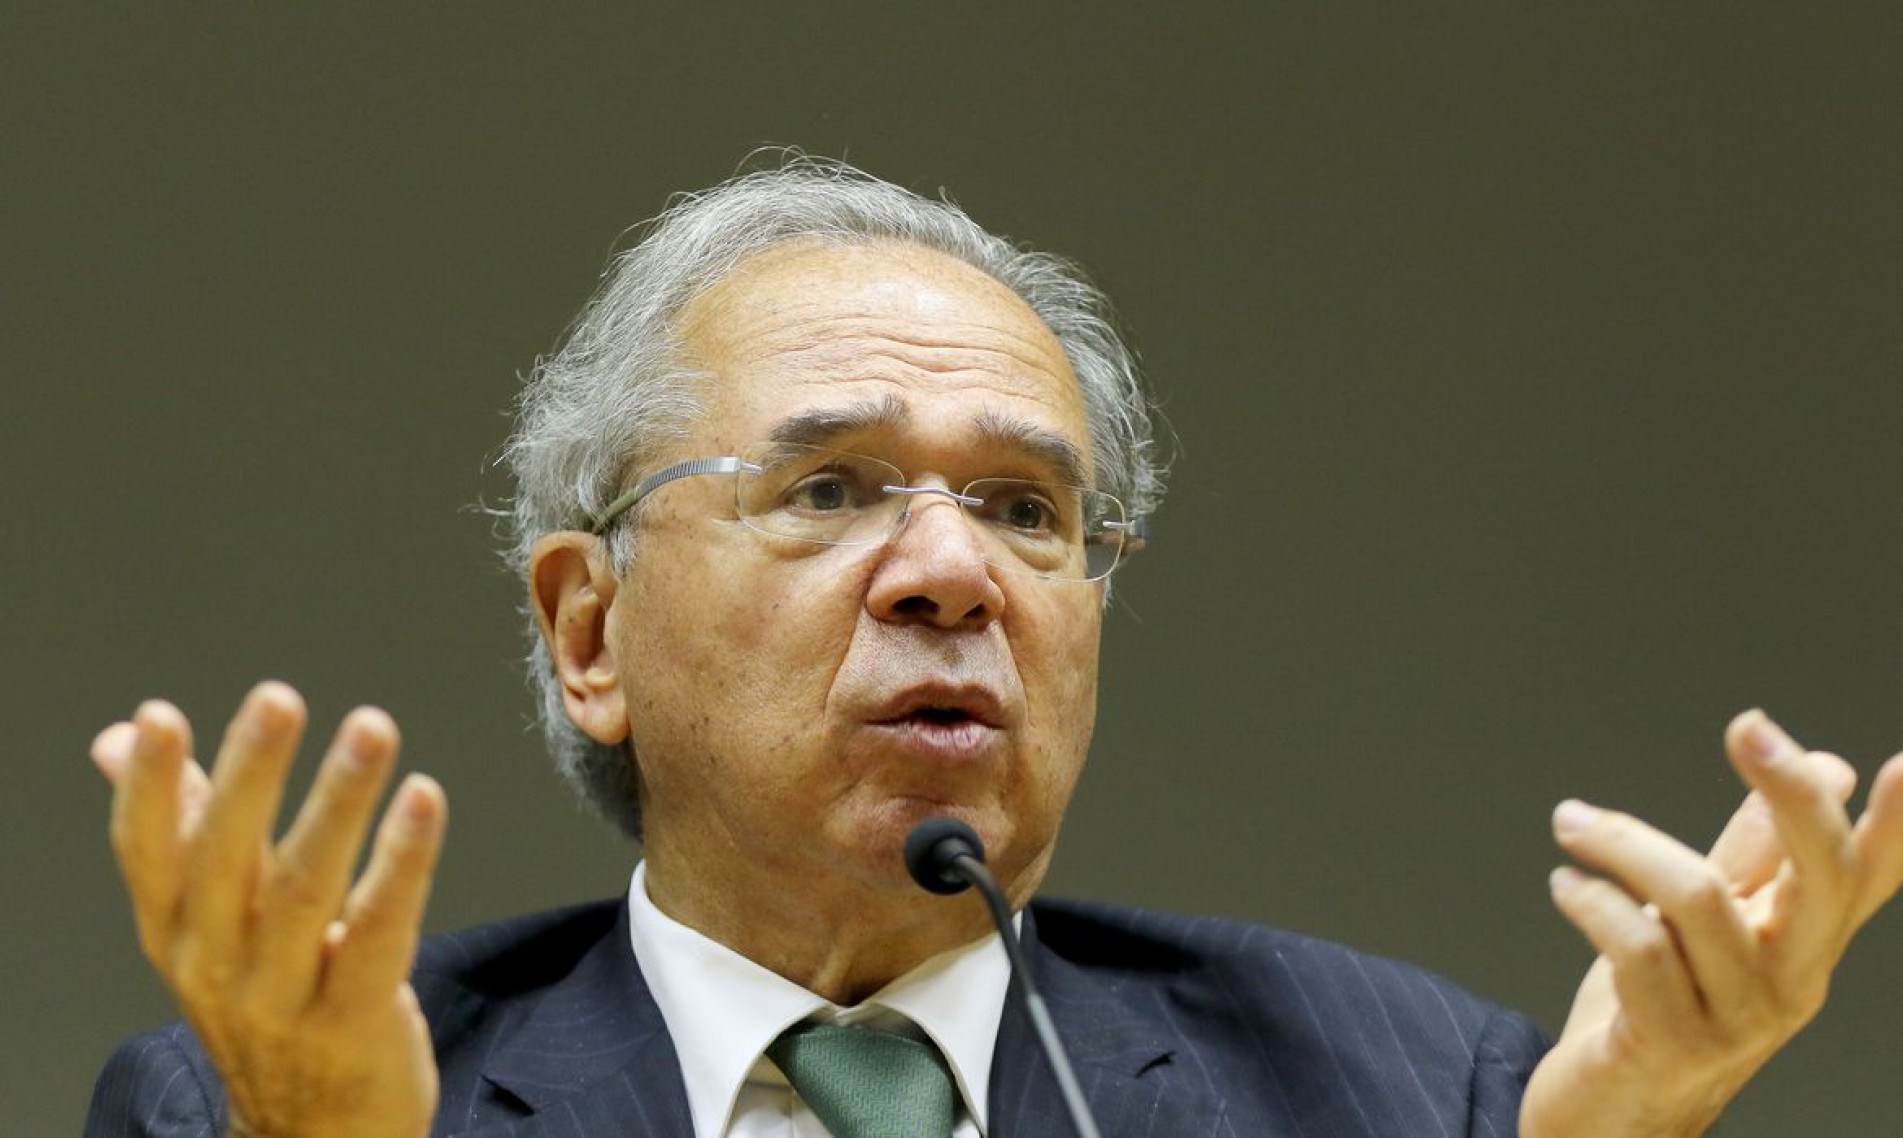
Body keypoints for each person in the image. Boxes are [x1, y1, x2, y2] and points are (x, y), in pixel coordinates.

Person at [87, 156, 1903, 1137]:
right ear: (590, 628)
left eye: (1030, 510)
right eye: (831, 487)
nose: (953, 571)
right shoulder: (271, 1100)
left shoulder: (1418, 1093)